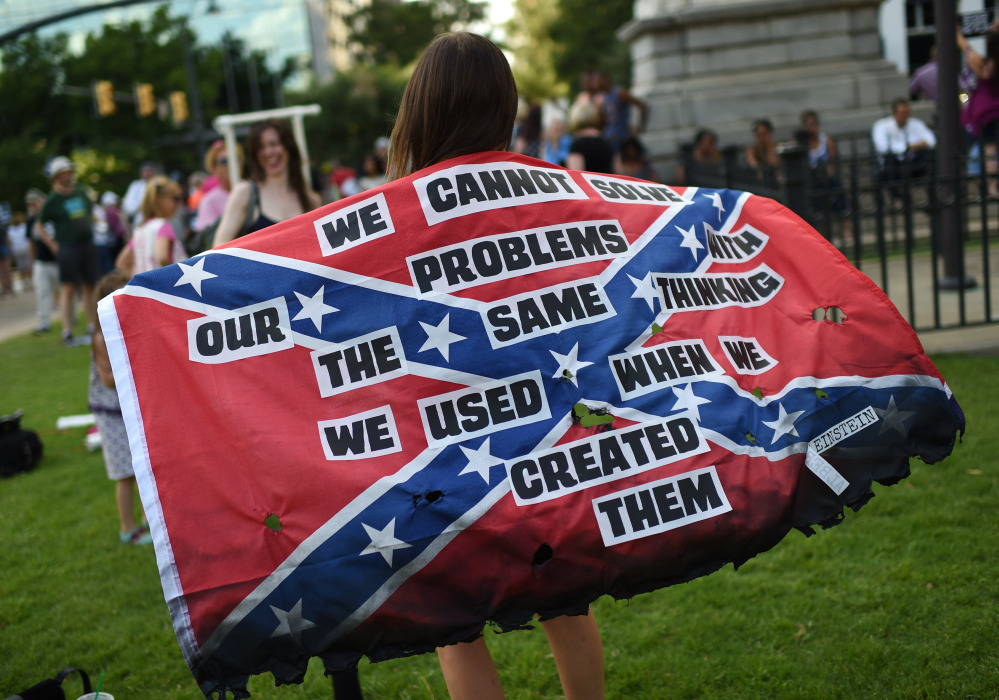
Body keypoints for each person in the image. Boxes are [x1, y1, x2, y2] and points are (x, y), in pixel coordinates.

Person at [387, 31, 606, 700]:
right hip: (540, 428)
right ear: (503, 105)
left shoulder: (394, 214)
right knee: (564, 600)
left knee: (457, 627)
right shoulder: (543, 194)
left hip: (446, 436)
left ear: (421, 108)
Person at [90, 270, 152, 545]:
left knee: (141, 468)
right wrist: (136, 366)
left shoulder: (125, 329)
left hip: (128, 409)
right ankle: (128, 527)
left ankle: (149, 521)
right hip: (111, 414)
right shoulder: (102, 337)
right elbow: (107, 379)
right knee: (125, 474)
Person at [213, 118, 321, 246]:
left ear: (288, 147)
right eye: (261, 147)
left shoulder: (311, 200)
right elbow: (219, 247)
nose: (269, 152)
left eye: (274, 144)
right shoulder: (245, 194)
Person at [35, 156, 100, 346]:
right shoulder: (53, 200)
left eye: (70, 170)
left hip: (87, 244)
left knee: (90, 285)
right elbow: (39, 225)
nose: (70, 174)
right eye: (65, 171)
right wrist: (53, 245)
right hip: (68, 246)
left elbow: (89, 213)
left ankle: (91, 325)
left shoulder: (80, 193)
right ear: (56, 175)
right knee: (68, 287)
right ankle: (67, 331)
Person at [114, 176, 188, 276]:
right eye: (175, 199)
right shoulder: (163, 226)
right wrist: (176, 276)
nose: (179, 203)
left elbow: (121, 263)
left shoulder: (141, 229)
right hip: (165, 288)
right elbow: (162, 256)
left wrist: (140, 281)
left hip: (146, 290)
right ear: (159, 199)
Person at [958, 24, 999, 197]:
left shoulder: (983, 65)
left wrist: (955, 29)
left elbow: (965, 47)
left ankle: (993, 186)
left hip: (986, 113)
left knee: (989, 149)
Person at [871, 98, 936, 202]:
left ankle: (933, 198)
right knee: (889, 161)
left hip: (913, 162)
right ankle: (898, 199)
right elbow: (882, 147)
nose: (904, 116)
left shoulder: (916, 124)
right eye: (902, 113)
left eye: (907, 113)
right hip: (894, 165)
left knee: (929, 156)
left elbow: (931, 141)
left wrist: (912, 147)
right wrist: (909, 146)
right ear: (894, 113)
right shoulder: (882, 126)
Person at [592, 70, 649, 153]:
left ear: (605, 79)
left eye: (597, 80)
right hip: (609, 139)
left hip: (620, 139)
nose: (595, 84)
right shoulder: (604, 97)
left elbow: (641, 106)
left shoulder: (619, 93)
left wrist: (640, 128)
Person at [26, 188, 58, 334]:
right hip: (41, 261)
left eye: (35, 203)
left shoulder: (53, 216)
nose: (32, 206)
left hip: (57, 260)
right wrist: (33, 262)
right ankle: (44, 320)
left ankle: (71, 317)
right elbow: (31, 243)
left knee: (65, 289)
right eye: (30, 204)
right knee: (43, 291)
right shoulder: (31, 220)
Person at [567, 101, 616, 174]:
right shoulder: (608, 143)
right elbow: (619, 171)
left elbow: (576, 175)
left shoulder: (577, 145)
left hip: (587, 185)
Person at [122, 161, 158, 228]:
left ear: (154, 173)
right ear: (141, 173)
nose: (147, 173)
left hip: (156, 220)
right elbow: (128, 207)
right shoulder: (136, 186)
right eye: (145, 171)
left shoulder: (158, 185)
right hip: (140, 220)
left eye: (150, 171)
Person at [745, 119, 780, 184]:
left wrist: (769, 147)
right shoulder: (753, 149)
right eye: (759, 135)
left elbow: (774, 162)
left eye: (765, 134)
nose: (762, 138)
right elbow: (753, 164)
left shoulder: (776, 147)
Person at [7, 211, 32, 292]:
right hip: (25, 247)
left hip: (16, 249)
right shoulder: (24, 226)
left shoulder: (10, 229)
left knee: (20, 267)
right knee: (28, 266)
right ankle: (29, 282)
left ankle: (23, 283)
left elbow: (10, 241)